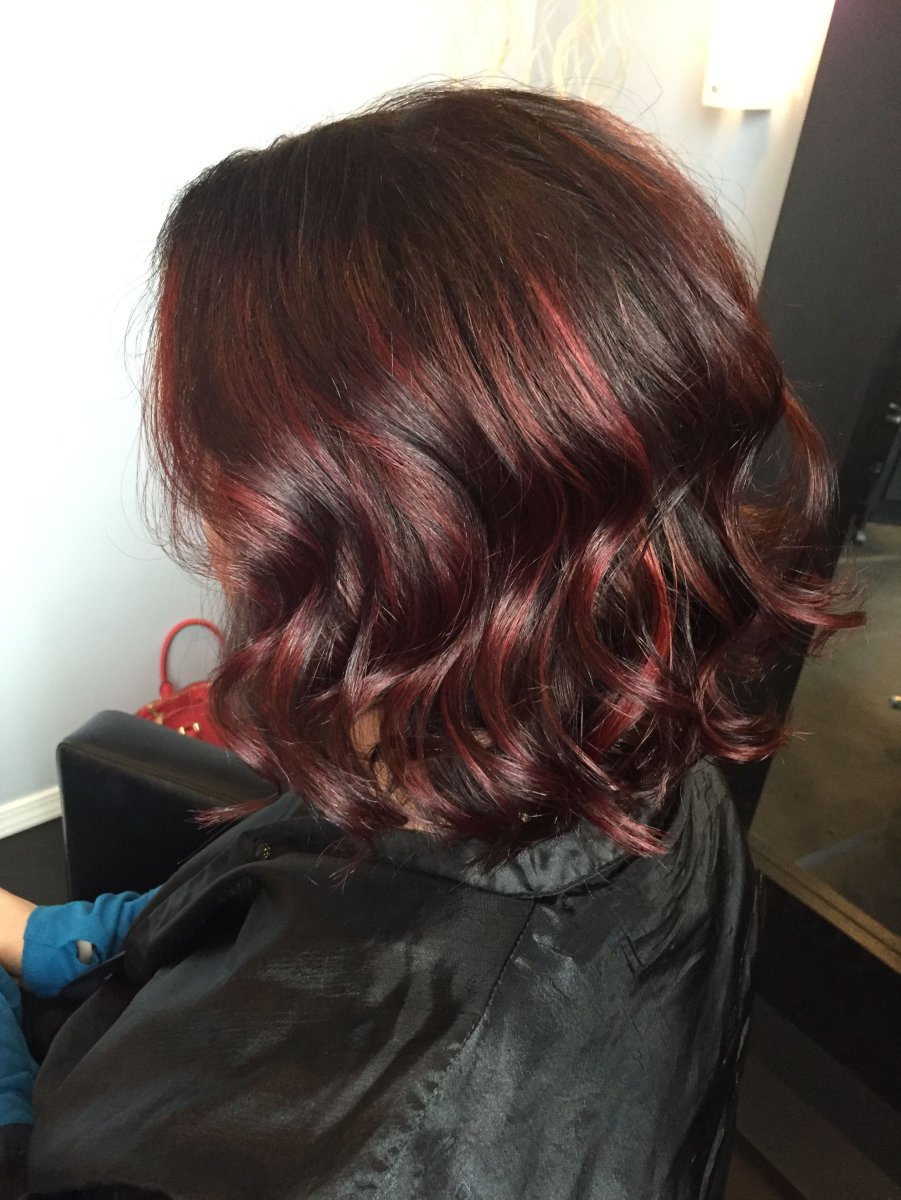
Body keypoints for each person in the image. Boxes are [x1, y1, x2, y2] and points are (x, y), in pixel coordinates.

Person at [1, 83, 862, 1199]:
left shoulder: (347, 1151)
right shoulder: (618, 769)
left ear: (372, 545)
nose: (214, 526)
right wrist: (34, 932)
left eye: (225, 478)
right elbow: (250, 911)